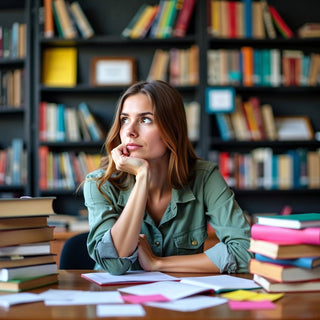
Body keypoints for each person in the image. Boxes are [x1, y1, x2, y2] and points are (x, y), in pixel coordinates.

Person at [83, 80, 253, 275]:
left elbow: (246, 253)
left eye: (145, 119)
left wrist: (158, 264)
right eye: (124, 119)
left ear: (171, 129)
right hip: (115, 300)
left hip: (183, 299)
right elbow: (115, 264)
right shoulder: (98, 184)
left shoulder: (204, 178)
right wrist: (142, 176)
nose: (130, 131)